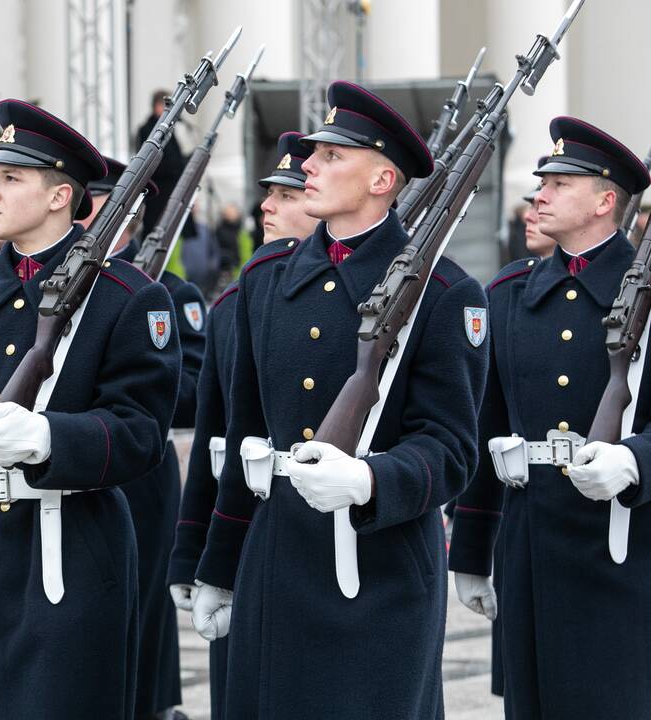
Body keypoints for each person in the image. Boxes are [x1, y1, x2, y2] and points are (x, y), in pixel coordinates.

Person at [192, 82, 488, 718]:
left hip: (379, 574)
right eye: (312, 154)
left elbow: (452, 449)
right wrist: (217, 565)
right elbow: (245, 433)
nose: (307, 167)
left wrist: (371, 479)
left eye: (331, 157)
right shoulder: (266, 281)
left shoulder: (442, 292)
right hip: (276, 562)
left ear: (383, 179)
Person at [0, 99, 181, 719]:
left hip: (73, 557)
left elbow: (141, 433)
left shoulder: (128, 298)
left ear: (59, 197)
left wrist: (50, 439)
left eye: (10, 178)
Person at [448, 116, 651, 719]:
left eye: (561, 182)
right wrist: (472, 552)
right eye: (543, 180)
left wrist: (635, 462)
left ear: (605, 200)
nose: (541, 192)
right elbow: (487, 428)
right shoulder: (508, 295)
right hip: (529, 552)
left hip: (625, 551)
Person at [166, 131, 318, 720]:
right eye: (269, 193)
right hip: (248, 539)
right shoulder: (238, 301)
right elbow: (213, 438)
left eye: (286, 193)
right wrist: (194, 557)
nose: (266, 208)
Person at [80, 156, 206, 720]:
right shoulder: (57, 288)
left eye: (98, 203)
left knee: (144, 602)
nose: (86, 214)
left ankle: (151, 707)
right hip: (75, 471)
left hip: (142, 472)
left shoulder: (170, 294)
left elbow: (194, 391)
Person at [135, 90, 190, 238]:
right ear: (159, 107)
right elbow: (151, 163)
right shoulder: (147, 130)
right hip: (158, 194)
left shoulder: (170, 130)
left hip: (172, 191)